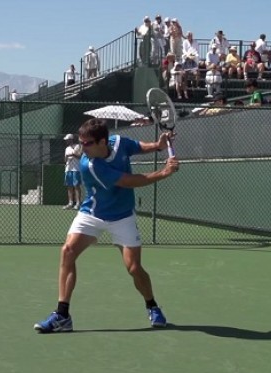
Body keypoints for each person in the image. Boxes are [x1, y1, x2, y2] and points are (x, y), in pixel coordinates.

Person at [34, 118, 180, 333]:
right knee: (67, 251)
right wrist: (164, 172)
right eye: (81, 143)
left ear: (103, 141)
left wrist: (158, 145)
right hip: (93, 214)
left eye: (87, 143)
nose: (82, 148)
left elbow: (138, 147)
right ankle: (62, 315)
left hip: (122, 216)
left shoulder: (119, 142)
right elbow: (129, 181)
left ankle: (152, 305)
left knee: (134, 268)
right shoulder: (90, 164)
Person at [62, 134, 82, 210]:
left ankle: (78, 203)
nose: (66, 141)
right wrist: (67, 157)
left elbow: (80, 156)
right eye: (66, 140)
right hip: (68, 169)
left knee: (76, 186)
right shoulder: (67, 148)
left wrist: (73, 154)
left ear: (71, 139)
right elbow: (65, 160)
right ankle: (70, 203)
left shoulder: (78, 146)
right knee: (69, 186)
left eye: (67, 139)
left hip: (76, 169)